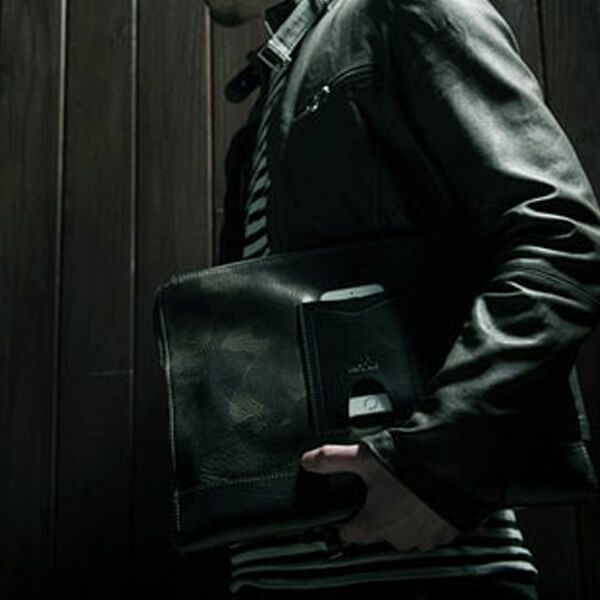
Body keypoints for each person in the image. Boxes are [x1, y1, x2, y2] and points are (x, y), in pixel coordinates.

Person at [204, 0, 600, 598]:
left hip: (429, 571)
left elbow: (559, 237)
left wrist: (436, 466)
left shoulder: (405, 9)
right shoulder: (269, 102)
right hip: (270, 575)